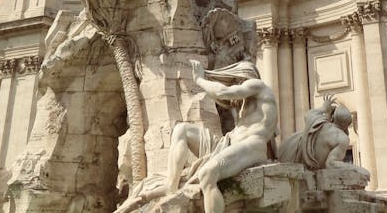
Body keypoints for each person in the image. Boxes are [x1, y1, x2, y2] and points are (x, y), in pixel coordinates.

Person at [117, 60, 277, 213]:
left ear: (242, 77)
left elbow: (222, 92)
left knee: (208, 173)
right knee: (182, 130)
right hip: (227, 145)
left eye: (234, 81)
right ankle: (170, 185)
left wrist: (200, 79)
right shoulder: (246, 103)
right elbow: (223, 95)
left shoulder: (257, 85)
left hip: (251, 147)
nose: (234, 86)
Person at [278, 95, 368, 180]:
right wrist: (356, 168)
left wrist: (323, 109)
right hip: (301, 167)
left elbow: (308, 114)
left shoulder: (320, 122)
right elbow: (331, 164)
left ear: (333, 118)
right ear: (347, 125)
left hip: (289, 153)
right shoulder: (342, 138)